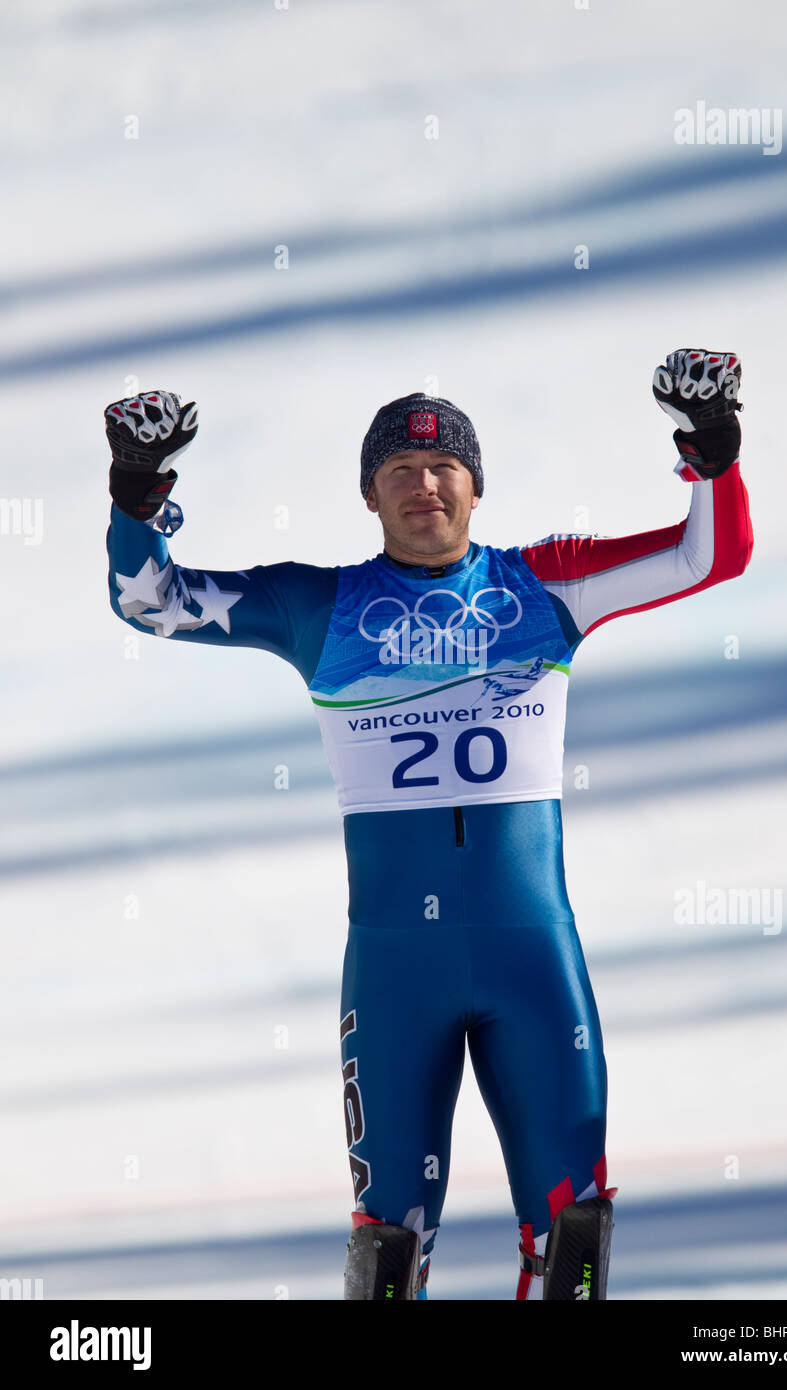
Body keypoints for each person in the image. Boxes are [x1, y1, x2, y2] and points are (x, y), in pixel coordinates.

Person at [104, 350, 753, 1300]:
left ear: (476, 486)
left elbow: (711, 555)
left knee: (571, 1233)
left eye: (444, 466)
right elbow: (148, 600)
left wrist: (712, 450)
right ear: (369, 495)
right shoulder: (316, 607)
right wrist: (137, 490)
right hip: (398, 970)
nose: (424, 485)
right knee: (389, 1254)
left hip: (533, 962)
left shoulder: (549, 587)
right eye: (399, 472)